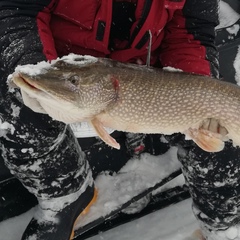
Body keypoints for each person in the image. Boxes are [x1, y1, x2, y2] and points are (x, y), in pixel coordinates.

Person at [0, 0, 238, 240]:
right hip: (62, 65)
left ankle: (225, 226)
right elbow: (19, 10)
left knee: (221, 140)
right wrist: (32, 62)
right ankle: (65, 192)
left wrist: (194, 91)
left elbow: (192, 31)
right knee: (16, 95)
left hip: (143, 72)